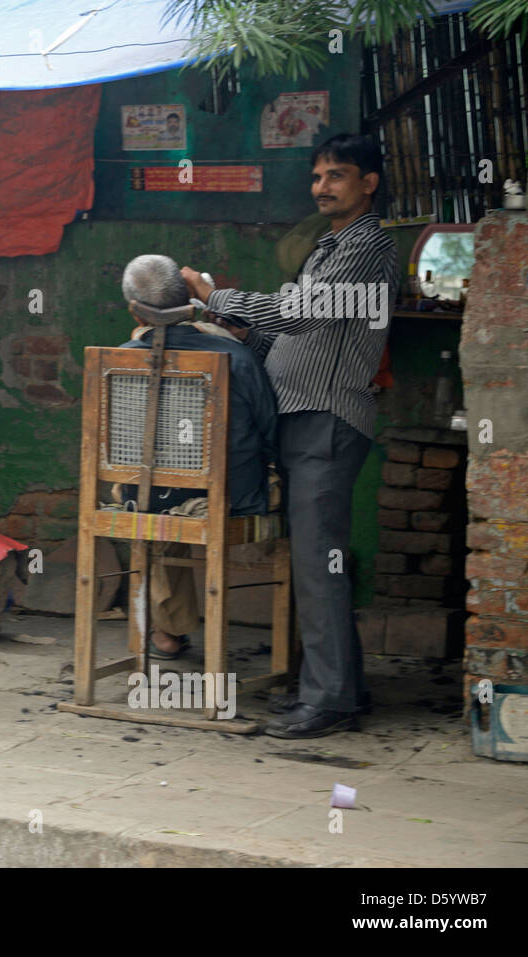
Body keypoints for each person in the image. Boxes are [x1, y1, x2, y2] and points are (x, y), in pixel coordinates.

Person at [182, 133, 399, 738]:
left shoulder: (368, 248)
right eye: (318, 176)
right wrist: (242, 330)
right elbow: (293, 335)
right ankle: (342, 692)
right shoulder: (329, 248)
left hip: (328, 419)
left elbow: (303, 313)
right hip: (303, 418)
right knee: (316, 563)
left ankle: (327, 699)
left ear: (369, 183)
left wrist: (215, 294)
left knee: (317, 563)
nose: (323, 187)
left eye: (337, 175)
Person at [115, 254, 278, 661]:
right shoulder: (235, 357)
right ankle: (299, 653)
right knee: (185, 495)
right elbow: (270, 431)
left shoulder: (119, 359)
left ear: (135, 309)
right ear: (188, 298)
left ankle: (168, 634)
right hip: (232, 498)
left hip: (151, 499)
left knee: (151, 501)